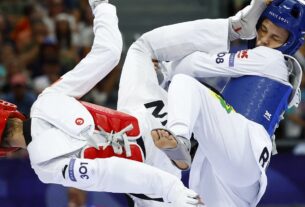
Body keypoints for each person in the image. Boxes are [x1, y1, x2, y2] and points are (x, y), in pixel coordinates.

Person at [0, 1, 201, 206]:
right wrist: (101, 6)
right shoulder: (48, 98)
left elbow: (109, 172)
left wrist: (171, 190)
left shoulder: (44, 166)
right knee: (143, 48)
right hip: (156, 117)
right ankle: (227, 34)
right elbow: (108, 53)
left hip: (157, 178)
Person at [118, 0, 305, 206]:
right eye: (262, 30)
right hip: (238, 178)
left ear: (291, 42)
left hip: (244, 149)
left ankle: (180, 137)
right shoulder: (276, 69)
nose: (263, 40)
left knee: (185, 84)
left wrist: (165, 67)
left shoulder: (270, 59)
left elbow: (192, 66)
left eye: (275, 37)